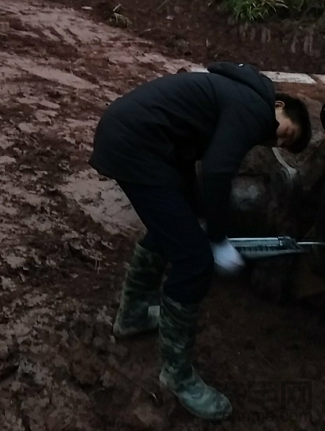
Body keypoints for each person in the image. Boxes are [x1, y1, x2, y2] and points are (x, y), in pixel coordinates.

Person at [90, 62, 312, 421]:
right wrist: (218, 238)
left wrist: (197, 211)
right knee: (195, 261)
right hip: (138, 144)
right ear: (281, 107)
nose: (277, 140)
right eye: (287, 133)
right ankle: (177, 376)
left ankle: (132, 315)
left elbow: (190, 152)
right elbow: (218, 169)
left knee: (175, 224)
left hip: (136, 136)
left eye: (285, 144)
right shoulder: (257, 108)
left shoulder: (233, 92)